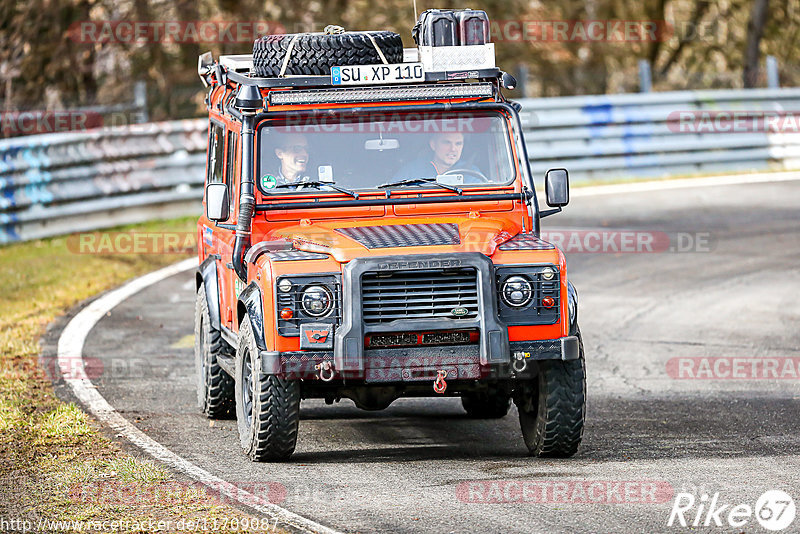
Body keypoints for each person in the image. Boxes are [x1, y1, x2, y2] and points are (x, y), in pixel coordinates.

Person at [394, 132, 479, 181]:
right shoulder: (412, 170)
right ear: (433, 145)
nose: (453, 149)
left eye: (458, 144)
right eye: (447, 143)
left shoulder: (472, 173)